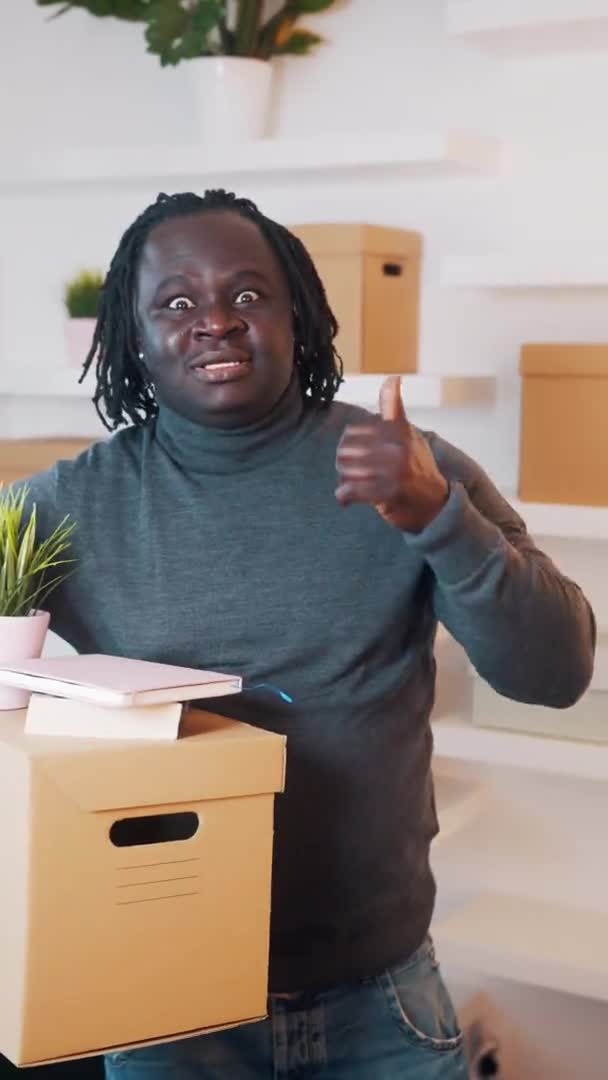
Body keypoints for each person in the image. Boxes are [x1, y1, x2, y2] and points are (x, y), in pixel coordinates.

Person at [20, 190, 595, 1080]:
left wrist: (437, 518)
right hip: (162, 1001)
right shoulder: (69, 506)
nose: (214, 319)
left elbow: (556, 673)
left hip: (384, 1000)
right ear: (132, 336)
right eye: (176, 302)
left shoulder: (410, 466)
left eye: (248, 294)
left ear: (300, 314)